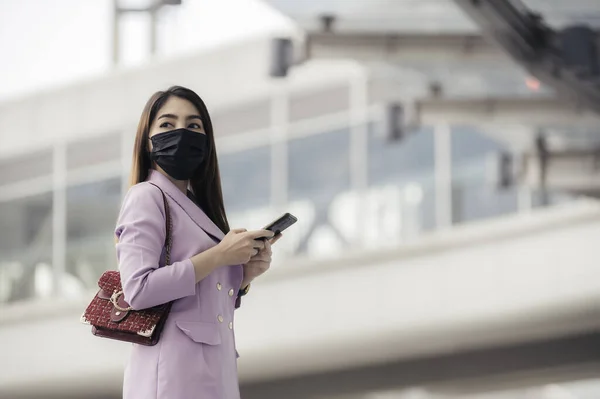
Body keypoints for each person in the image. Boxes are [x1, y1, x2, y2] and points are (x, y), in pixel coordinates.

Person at [116, 85, 280, 399]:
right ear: (147, 141)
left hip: (210, 377)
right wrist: (220, 256)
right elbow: (138, 289)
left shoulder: (195, 206)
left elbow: (200, 298)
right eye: (167, 124)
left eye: (193, 125)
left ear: (206, 142)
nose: (181, 132)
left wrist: (243, 275)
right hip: (171, 379)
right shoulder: (146, 196)